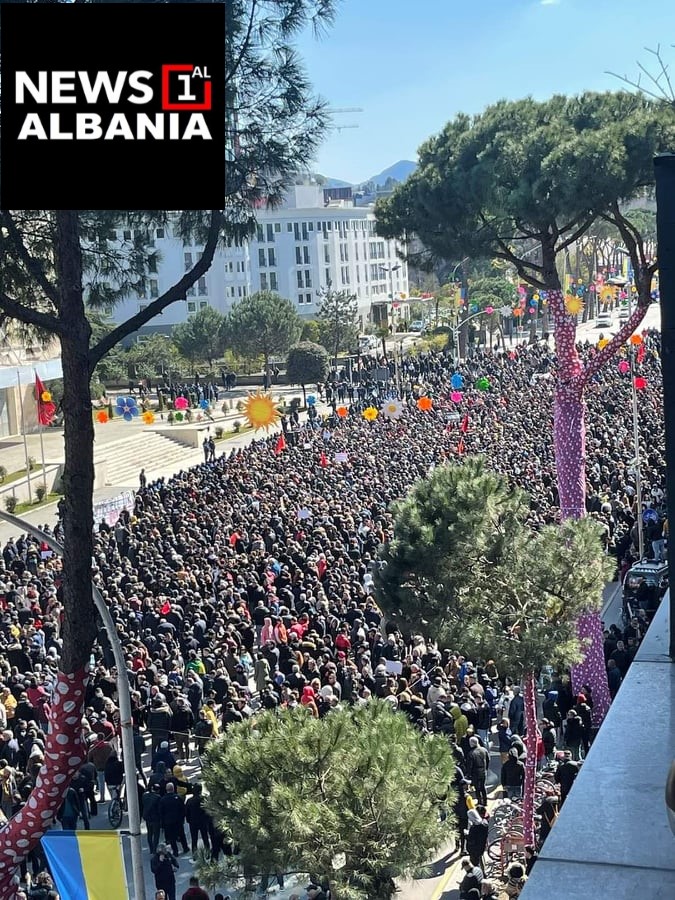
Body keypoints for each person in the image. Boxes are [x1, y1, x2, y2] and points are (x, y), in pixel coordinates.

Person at [466, 735, 490, 806]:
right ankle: (485, 801)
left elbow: (469, 765)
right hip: (483, 771)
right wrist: (486, 768)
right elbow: (488, 759)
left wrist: (469, 774)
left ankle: (479, 801)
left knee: (477, 788)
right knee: (483, 786)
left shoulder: (471, 753)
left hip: (475, 773)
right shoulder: (484, 750)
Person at [466, 804, 489, 870]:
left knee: (475, 864)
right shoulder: (484, 822)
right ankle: (483, 872)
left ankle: (478, 875)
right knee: (480, 859)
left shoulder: (474, 827)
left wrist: (466, 834)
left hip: (474, 849)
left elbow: (471, 838)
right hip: (482, 846)